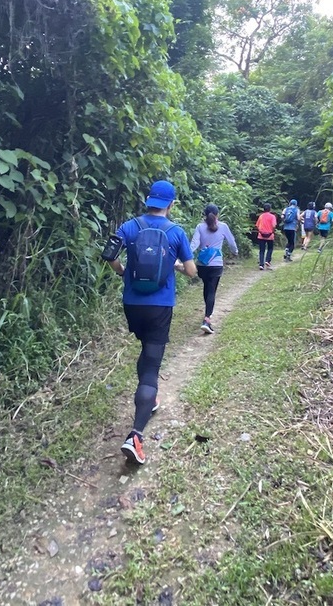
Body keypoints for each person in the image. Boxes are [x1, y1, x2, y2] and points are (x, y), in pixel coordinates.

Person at [108, 180, 196, 465]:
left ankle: (150, 400)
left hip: (132, 304)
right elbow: (192, 272)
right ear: (170, 204)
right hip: (160, 305)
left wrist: (122, 271)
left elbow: (109, 254)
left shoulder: (129, 226)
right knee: (152, 364)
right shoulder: (175, 232)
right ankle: (135, 435)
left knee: (145, 350)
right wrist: (176, 265)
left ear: (149, 201)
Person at [190, 204, 239, 334]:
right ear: (217, 214)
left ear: (205, 214)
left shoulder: (200, 227)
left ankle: (208, 313)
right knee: (212, 290)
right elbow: (231, 241)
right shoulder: (223, 226)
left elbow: (194, 244)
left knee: (207, 287)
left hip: (202, 264)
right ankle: (207, 319)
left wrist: (187, 256)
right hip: (216, 264)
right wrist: (235, 251)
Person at [255, 203, 278, 271]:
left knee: (261, 250)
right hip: (270, 235)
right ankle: (267, 260)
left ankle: (261, 265)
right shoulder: (272, 216)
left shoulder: (261, 216)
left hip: (261, 235)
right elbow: (274, 225)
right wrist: (272, 231)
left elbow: (257, 225)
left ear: (263, 209)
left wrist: (261, 231)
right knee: (270, 249)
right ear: (270, 209)